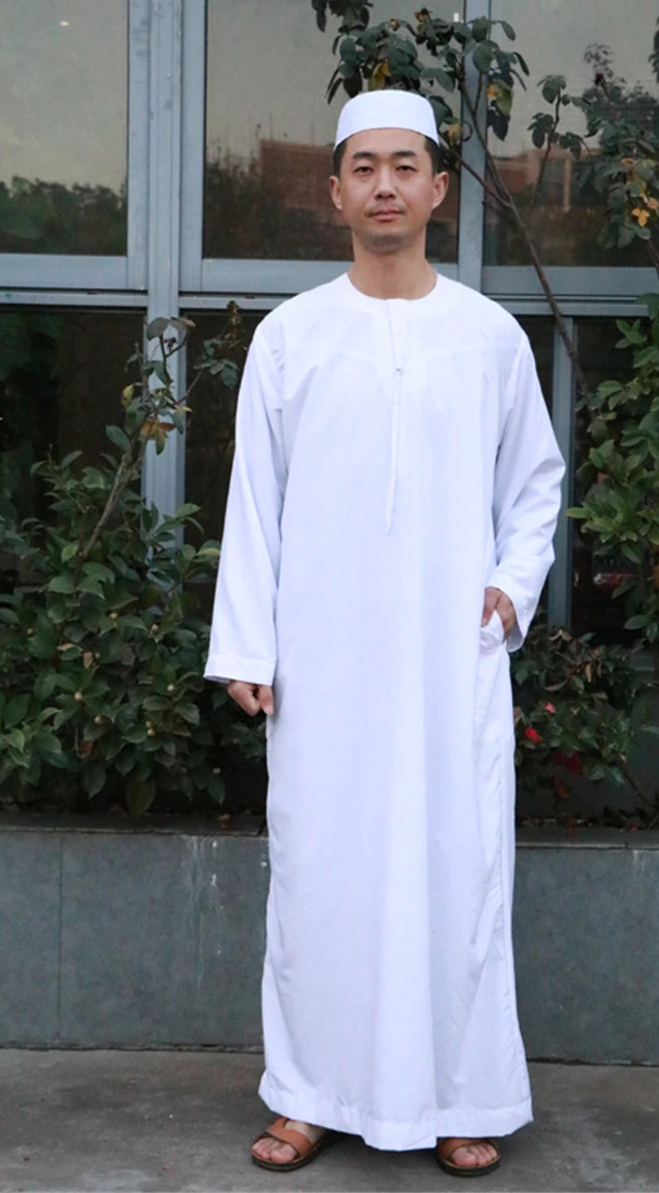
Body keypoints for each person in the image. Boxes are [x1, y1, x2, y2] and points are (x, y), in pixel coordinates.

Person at [204, 88, 566, 1178]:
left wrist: (510, 587)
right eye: (363, 167)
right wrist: (248, 647)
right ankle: (310, 1095)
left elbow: (534, 485)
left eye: (404, 166)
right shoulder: (292, 338)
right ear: (334, 193)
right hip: (326, 665)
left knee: (458, 875)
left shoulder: (488, 337)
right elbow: (254, 501)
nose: (384, 187)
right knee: (321, 875)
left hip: (450, 663)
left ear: (438, 189)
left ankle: (460, 1096)